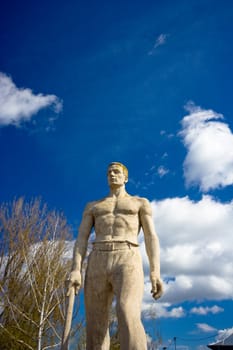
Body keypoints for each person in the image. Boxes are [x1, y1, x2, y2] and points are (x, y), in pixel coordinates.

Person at [68, 162, 163, 350]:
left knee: (127, 311)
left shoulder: (139, 203)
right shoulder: (93, 206)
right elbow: (81, 238)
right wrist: (75, 270)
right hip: (97, 258)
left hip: (127, 256)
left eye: (116, 172)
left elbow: (151, 237)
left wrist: (155, 272)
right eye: (109, 172)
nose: (112, 174)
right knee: (96, 323)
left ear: (125, 177)